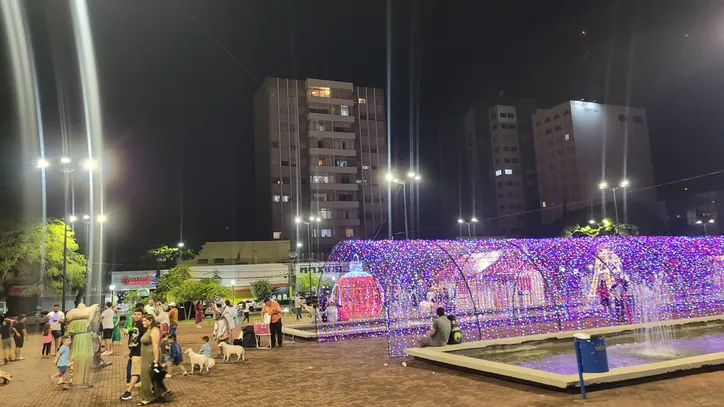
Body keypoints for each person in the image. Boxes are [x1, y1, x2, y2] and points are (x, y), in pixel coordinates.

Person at [139, 314, 169, 405]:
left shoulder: (154, 330)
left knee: (146, 377)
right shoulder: (148, 330)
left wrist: (156, 359)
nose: (143, 322)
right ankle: (159, 394)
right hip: (145, 357)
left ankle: (147, 397)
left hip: (150, 357)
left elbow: (156, 346)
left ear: (150, 321)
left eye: (145, 321)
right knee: (151, 377)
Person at [120, 309, 146, 401]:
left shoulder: (142, 325)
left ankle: (129, 392)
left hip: (139, 353)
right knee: (138, 373)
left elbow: (136, 340)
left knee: (135, 373)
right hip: (137, 352)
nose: (136, 316)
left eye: (139, 314)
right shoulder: (137, 324)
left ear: (143, 315)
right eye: (135, 314)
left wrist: (130, 351)